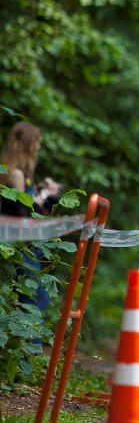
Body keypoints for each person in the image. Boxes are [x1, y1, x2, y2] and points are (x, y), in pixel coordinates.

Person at [2, 122, 64, 317]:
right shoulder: (16, 174)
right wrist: (44, 195)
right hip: (21, 245)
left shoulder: (19, 173)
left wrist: (40, 191)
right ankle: (31, 344)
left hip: (26, 243)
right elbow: (23, 210)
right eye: (36, 141)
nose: (38, 146)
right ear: (28, 143)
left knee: (35, 295)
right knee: (35, 297)